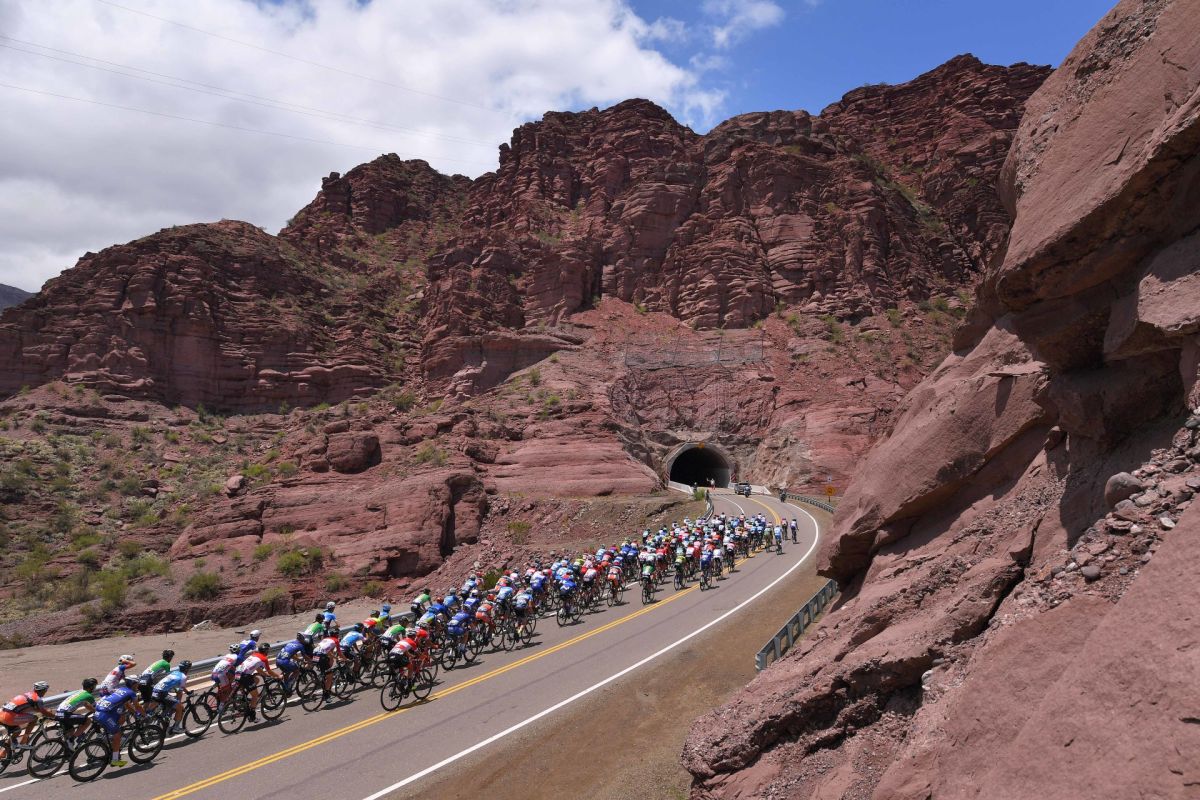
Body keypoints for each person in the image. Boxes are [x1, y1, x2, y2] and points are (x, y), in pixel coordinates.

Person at [93, 677, 144, 768]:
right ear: (133, 684)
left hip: (98, 711)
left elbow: (127, 704)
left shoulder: (121, 689)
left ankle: (110, 742)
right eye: (137, 683)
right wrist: (145, 715)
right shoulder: (131, 693)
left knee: (120, 717)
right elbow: (138, 706)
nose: (138, 685)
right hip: (104, 714)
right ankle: (115, 760)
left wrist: (135, 713)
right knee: (117, 734)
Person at [0, 682, 54, 752]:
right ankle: (24, 739)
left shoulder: (27, 694)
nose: (46, 692)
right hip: (9, 717)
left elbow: (31, 708)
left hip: (2, 714)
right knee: (34, 718)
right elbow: (44, 712)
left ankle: (3, 753)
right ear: (43, 690)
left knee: (17, 731)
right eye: (46, 690)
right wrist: (55, 717)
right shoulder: (37, 699)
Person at [232, 642, 277, 722]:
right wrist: (278, 676)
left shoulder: (254, 654)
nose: (268, 651)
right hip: (245, 676)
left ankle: (243, 697)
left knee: (256, 680)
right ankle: (252, 717)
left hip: (237, 672)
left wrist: (265, 675)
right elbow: (269, 671)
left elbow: (257, 668)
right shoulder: (264, 659)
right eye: (268, 650)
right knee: (255, 696)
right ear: (266, 651)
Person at [151, 660, 191, 734]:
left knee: (169, 704)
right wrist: (178, 704)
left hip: (155, 690)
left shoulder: (174, 672)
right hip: (161, 693)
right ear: (188, 669)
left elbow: (177, 686)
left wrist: (187, 692)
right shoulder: (183, 677)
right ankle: (176, 728)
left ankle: (158, 721)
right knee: (180, 708)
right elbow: (180, 692)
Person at [54, 678, 97, 742]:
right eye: (94, 687)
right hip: (65, 714)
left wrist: (92, 710)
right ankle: (72, 739)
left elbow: (86, 704)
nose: (95, 688)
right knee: (88, 720)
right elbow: (96, 708)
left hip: (58, 713)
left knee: (71, 731)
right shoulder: (88, 695)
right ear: (91, 687)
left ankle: (67, 745)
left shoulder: (79, 692)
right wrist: (96, 712)